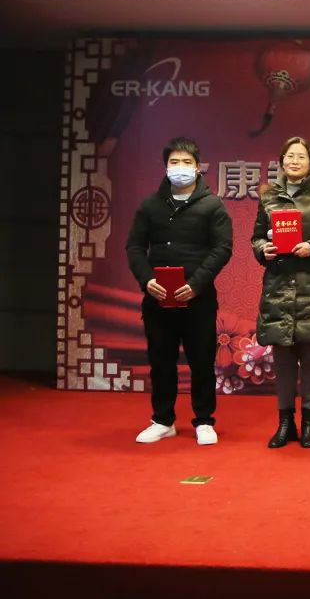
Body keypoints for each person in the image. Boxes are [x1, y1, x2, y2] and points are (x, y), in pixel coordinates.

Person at [126, 137, 232, 445]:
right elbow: (134, 246)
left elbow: (222, 248)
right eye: (174, 162)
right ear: (165, 167)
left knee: (201, 361)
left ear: (198, 168)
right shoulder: (150, 205)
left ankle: (204, 421)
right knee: (161, 361)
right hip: (158, 299)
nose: (180, 167)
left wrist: (196, 284)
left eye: (187, 162)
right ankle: (162, 420)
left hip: (198, 299)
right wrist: (146, 280)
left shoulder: (212, 205)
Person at [252, 137, 310, 449]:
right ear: (281, 160)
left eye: (301, 156)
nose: (294, 161)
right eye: (289, 156)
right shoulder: (269, 196)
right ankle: (285, 423)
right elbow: (255, 237)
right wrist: (263, 249)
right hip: (278, 284)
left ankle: (309, 421)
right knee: (283, 359)